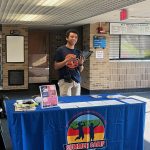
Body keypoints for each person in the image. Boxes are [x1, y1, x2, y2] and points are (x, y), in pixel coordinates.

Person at [54, 29, 84, 96]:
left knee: (76, 103)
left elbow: (80, 70)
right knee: (66, 103)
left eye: (76, 37)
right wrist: (66, 60)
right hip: (65, 81)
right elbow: (56, 66)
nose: (74, 38)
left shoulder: (78, 52)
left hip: (76, 81)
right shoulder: (60, 50)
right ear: (67, 38)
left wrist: (81, 64)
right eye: (72, 36)